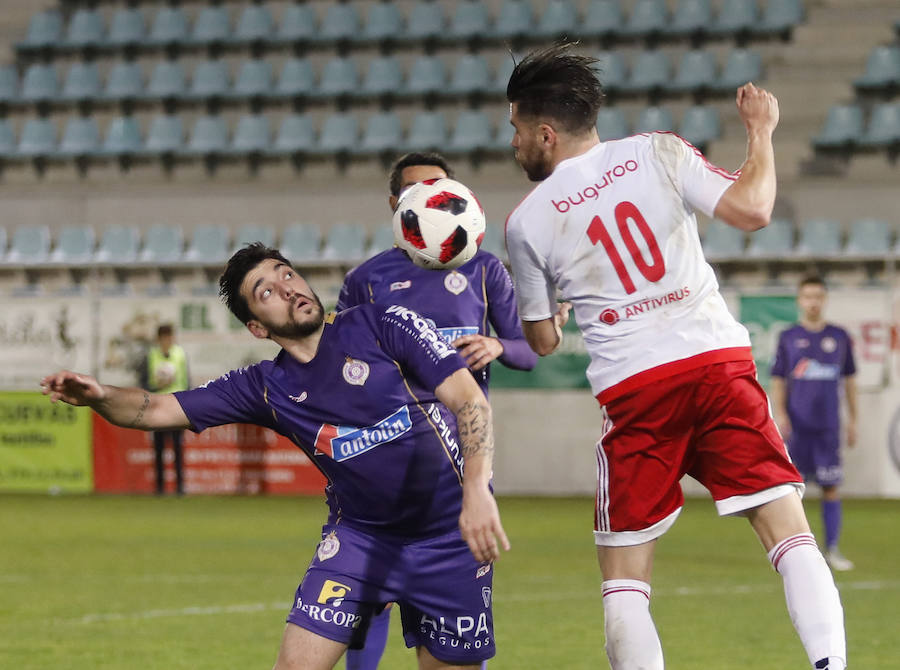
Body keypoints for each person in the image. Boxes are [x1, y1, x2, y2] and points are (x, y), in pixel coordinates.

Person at [503, 44, 846, 670]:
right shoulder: (656, 150)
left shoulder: (526, 223)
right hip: (718, 365)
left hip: (637, 392)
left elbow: (543, 341)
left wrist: (555, 316)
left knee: (625, 578)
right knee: (790, 533)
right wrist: (761, 133)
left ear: (545, 133)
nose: (515, 144)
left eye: (516, 131)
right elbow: (753, 208)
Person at [41, 243, 509, 670]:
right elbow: (154, 408)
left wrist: (477, 491)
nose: (287, 288)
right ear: (257, 326)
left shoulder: (383, 322)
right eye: (267, 290)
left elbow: (470, 401)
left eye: (287, 274)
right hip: (361, 541)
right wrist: (100, 394)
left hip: (451, 536)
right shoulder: (265, 386)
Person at [339, 153, 536, 670]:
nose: (431, 198)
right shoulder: (366, 279)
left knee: (458, 613)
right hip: (381, 461)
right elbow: (342, 368)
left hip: (461, 467)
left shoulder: (485, 268)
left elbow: (528, 351)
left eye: (440, 188)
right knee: (367, 598)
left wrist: (497, 347)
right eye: (416, 191)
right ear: (395, 206)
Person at [771, 276, 858, 571]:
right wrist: (780, 414)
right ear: (799, 300)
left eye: (818, 296)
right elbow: (778, 380)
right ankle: (798, 555)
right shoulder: (788, 337)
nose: (813, 302)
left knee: (831, 487)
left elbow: (849, 381)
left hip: (828, 427)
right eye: (807, 296)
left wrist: (853, 419)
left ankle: (832, 549)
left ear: (825, 299)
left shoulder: (840, 336)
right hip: (797, 427)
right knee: (793, 492)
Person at [140, 323, 190, 495]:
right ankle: (160, 488)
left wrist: (188, 404)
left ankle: (180, 488)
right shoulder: (151, 355)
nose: (168, 341)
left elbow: (186, 381)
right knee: (159, 448)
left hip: (177, 406)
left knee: (178, 448)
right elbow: (144, 383)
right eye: (164, 338)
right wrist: (156, 386)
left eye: (170, 337)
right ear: (159, 339)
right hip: (158, 406)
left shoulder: (180, 354)